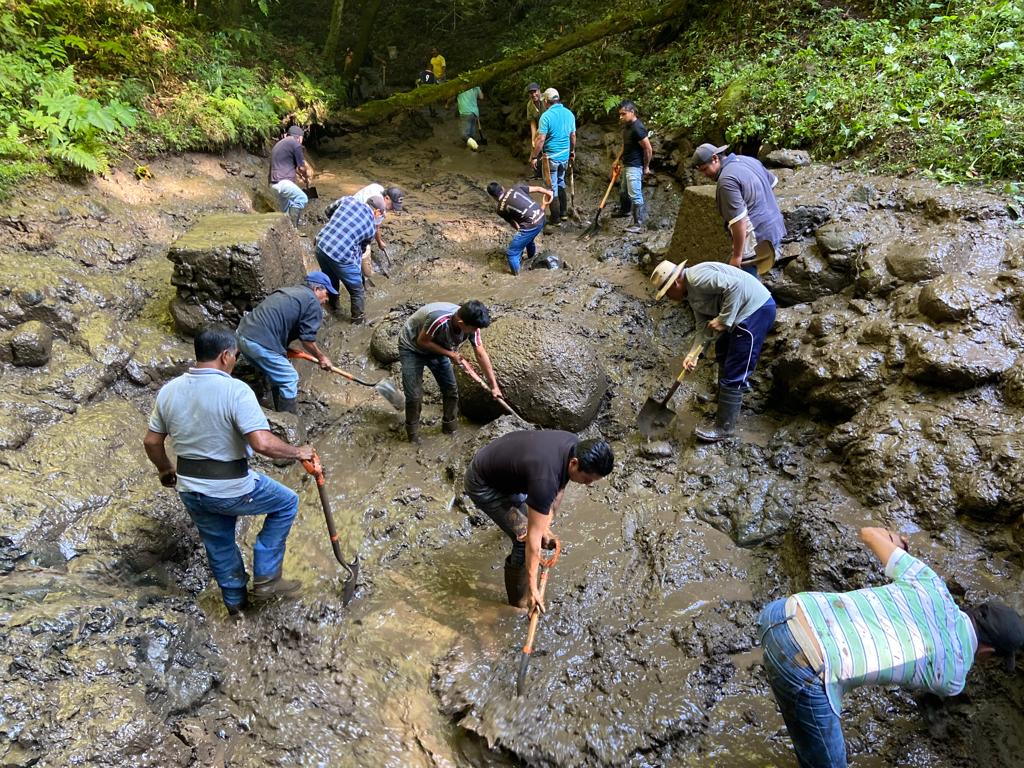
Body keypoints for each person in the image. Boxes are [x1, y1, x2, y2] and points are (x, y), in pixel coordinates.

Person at [759, 526, 1024, 768]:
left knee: (806, 723)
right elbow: (928, 683)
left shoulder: (930, 582)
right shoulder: (954, 677)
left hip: (781, 612)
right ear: (988, 652)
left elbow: (868, 533)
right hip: (804, 664)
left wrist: (895, 542)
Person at [143, 325, 315, 616]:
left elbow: (151, 441)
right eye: (235, 355)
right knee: (287, 502)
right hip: (232, 487)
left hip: (191, 488)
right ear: (225, 356)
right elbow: (262, 443)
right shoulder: (236, 390)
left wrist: (164, 470)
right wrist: (299, 452)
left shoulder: (168, 391)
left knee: (219, 543)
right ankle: (267, 578)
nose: (234, 360)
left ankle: (235, 606)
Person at [464, 431, 614, 610]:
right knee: (523, 539)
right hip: (484, 484)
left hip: (506, 470)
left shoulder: (574, 446)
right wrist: (533, 588)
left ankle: (511, 522)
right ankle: (517, 601)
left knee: (529, 522)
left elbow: (559, 489)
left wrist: (546, 526)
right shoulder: (545, 480)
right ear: (574, 463)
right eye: (587, 479)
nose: (589, 484)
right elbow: (533, 539)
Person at [650, 259, 776, 442]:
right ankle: (721, 398)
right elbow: (703, 327)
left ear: (675, 283)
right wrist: (693, 355)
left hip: (756, 310)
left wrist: (724, 319)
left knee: (736, 367)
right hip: (741, 315)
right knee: (722, 348)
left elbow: (736, 285)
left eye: (667, 292)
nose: (669, 297)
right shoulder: (691, 294)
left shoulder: (698, 277)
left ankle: (724, 428)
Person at [397, 300, 500, 443]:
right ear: (461, 322)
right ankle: (412, 435)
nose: (475, 332)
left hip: (440, 346)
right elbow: (422, 342)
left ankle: (450, 428)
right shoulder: (438, 319)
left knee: (451, 390)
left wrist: (494, 386)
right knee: (414, 396)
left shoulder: (472, 324)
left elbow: (480, 353)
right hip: (412, 347)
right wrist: (451, 355)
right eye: (473, 329)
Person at [235, 272, 336, 414]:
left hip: (241, 335)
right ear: (316, 289)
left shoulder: (289, 291)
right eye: (326, 293)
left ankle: (279, 412)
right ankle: (288, 422)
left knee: (279, 374)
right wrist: (322, 358)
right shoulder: (312, 302)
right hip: (258, 342)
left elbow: (277, 322)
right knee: (289, 378)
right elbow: (307, 340)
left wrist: (283, 350)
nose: (327, 299)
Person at [692, 142, 786, 276]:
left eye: (705, 169)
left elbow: (739, 222)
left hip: (756, 239)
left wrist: (737, 256)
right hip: (775, 229)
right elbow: (772, 183)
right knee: (758, 281)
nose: (704, 175)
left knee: (748, 286)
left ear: (715, 158)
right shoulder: (748, 160)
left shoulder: (726, 181)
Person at [315, 194, 386, 324]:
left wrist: (338, 225)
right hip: (340, 255)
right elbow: (361, 250)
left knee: (331, 279)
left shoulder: (348, 200)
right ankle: (358, 320)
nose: (379, 218)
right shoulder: (370, 228)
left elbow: (328, 211)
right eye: (380, 214)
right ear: (376, 211)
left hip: (321, 245)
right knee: (356, 290)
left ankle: (334, 307)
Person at [326, 183, 405, 276]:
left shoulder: (376, 187)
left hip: (345, 212)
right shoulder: (380, 210)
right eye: (392, 206)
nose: (393, 210)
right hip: (353, 227)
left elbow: (328, 211)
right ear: (387, 198)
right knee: (364, 253)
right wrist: (379, 242)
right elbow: (375, 229)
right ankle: (366, 274)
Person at [530, 88, 576, 226]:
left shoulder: (546, 116)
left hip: (551, 158)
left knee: (551, 187)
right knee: (561, 182)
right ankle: (563, 214)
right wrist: (572, 151)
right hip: (564, 157)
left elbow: (541, 139)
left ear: (545, 101)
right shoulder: (569, 114)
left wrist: (534, 156)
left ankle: (555, 218)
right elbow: (573, 136)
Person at [486, 181, 551, 275]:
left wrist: (522, 233)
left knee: (511, 253)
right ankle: (531, 259)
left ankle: (517, 276)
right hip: (542, 216)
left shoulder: (500, 209)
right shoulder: (517, 187)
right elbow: (538, 189)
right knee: (529, 239)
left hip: (531, 225)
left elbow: (515, 224)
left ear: (493, 197)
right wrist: (548, 193)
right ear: (502, 188)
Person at [613, 100, 653, 233]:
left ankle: (638, 225)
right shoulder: (627, 127)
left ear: (632, 112)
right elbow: (626, 145)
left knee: (635, 194)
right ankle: (625, 211)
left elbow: (648, 149)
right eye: (620, 114)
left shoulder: (638, 128)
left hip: (635, 166)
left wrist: (646, 167)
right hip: (626, 164)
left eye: (623, 114)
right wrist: (617, 159)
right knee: (624, 191)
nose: (621, 117)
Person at [268, 126, 311, 225]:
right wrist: (306, 176)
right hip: (283, 182)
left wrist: (301, 176)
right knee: (302, 198)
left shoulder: (279, 144)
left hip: (273, 184)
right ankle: (294, 230)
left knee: (286, 211)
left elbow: (289, 165)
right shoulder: (296, 144)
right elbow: (301, 167)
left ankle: (289, 230)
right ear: (299, 137)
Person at [525, 82, 546, 175]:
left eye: (535, 91)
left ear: (539, 90)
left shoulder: (546, 100)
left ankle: (547, 173)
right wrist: (533, 139)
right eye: (531, 93)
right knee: (536, 145)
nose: (533, 94)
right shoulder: (530, 105)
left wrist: (539, 134)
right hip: (541, 128)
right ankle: (537, 172)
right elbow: (533, 123)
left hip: (550, 127)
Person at [456, 84, 484, 149]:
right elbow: (481, 97)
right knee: (471, 134)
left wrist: (447, 104)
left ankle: (475, 147)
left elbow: (451, 97)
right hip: (474, 113)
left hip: (465, 112)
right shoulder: (476, 86)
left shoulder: (460, 86)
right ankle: (471, 150)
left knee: (464, 135)